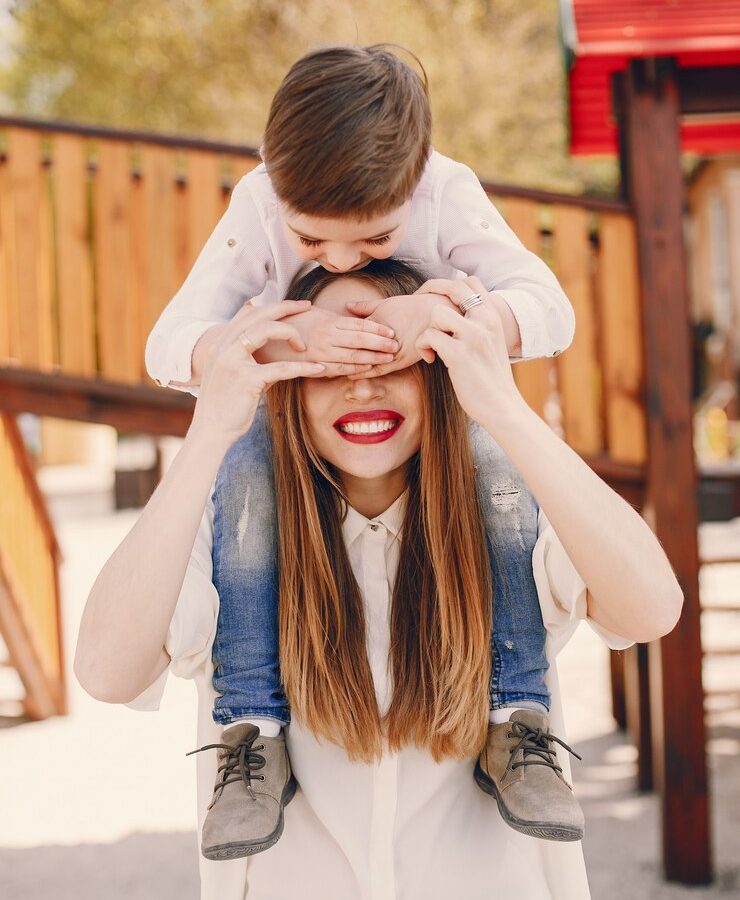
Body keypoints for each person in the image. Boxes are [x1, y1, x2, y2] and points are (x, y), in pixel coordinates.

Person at [75, 260, 683, 900]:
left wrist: (502, 406)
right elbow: (107, 671)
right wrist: (210, 433)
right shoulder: (237, 543)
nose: (362, 389)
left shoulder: (507, 522)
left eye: (390, 359)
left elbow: (652, 610)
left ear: (436, 374)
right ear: (288, 385)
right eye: (329, 365)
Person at [142, 44, 579, 853]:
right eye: (313, 242)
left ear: (414, 184)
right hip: (298, 422)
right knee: (243, 472)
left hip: (437, 420)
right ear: (276, 180)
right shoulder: (258, 199)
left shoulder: (448, 191)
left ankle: (516, 714)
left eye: (374, 238)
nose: (342, 260)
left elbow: (549, 307)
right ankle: (250, 727)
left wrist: (467, 314)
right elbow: (168, 343)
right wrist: (272, 330)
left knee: (498, 458)